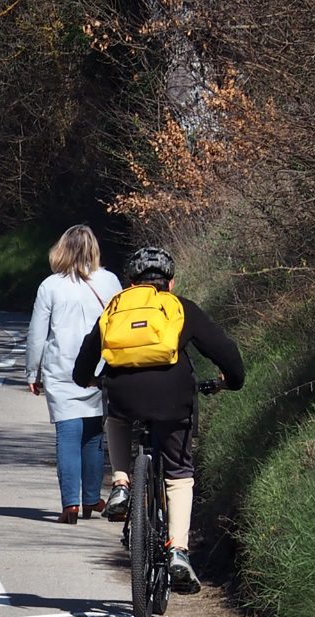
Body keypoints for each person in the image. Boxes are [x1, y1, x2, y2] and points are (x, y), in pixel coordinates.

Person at [71, 246, 245, 594]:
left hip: (123, 393)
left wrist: (89, 379)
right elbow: (223, 351)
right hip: (173, 397)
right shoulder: (181, 308)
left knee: (116, 417)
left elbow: (84, 363)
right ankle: (178, 550)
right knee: (179, 473)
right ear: (171, 282)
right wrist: (232, 381)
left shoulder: (116, 307)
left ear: (131, 282)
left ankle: (121, 483)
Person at [24, 225, 123, 524]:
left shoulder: (50, 286)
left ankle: (70, 504)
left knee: (68, 433)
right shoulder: (110, 281)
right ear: (94, 248)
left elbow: (37, 334)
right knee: (94, 434)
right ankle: (91, 498)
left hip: (61, 368)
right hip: (99, 366)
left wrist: (32, 371)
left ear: (62, 249)